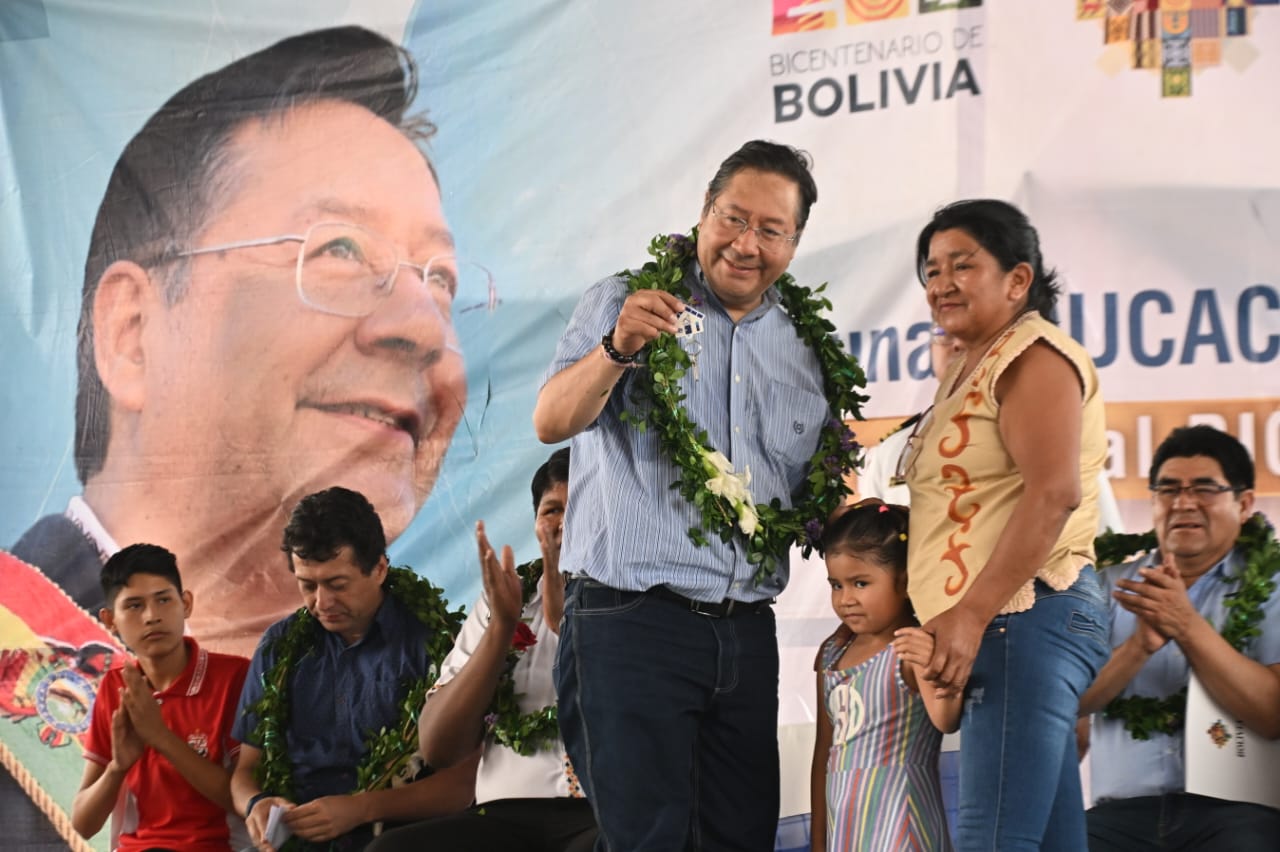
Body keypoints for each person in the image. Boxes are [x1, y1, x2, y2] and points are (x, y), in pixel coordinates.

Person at [7, 24, 479, 655]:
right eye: (340, 248)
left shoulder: (455, 715)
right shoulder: (19, 694)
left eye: (441, 281)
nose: (425, 330)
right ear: (133, 334)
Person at [533, 140, 846, 850]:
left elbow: (814, 496)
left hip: (745, 633)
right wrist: (616, 350)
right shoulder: (625, 300)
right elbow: (551, 420)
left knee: (740, 838)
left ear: (794, 242)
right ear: (703, 213)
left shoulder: (806, 346)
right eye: (733, 219)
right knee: (649, 841)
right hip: (631, 622)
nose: (746, 244)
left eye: (771, 230)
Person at [902, 199, 1111, 851]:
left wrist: (968, 616)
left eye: (962, 265)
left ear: (1018, 281)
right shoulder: (974, 363)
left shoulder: (1034, 355)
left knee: (991, 839)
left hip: (1021, 618)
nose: (941, 284)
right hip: (1014, 624)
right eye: (931, 270)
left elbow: (1052, 495)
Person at [367, 447, 597, 852]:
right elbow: (439, 748)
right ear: (535, 523)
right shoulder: (503, 600)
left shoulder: (641, 604)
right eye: (552, 510)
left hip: (605, 812)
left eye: (582, 507)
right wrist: (501, 628)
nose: (565, 523)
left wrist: (566, 619)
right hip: (503, 818)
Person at [230, 487, 476, 852]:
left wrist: (360, 809)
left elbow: (461, 786)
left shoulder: (435, 644)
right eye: (307, 586)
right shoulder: (279, 646)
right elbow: (245, 771)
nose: (321, 602)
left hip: (399, 838)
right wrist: (256, 803)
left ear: (379, 568)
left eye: (337, 584)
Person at [1080, 425, 1280, 851]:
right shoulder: (1104, 587)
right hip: (1118, 814)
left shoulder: (1272, 586)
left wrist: (1186, 626)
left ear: (1244, 504)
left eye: (1204, 488)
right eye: (1168, 489)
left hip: (1238, 814)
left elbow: (1272, 713)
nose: (1184, 502)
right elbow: (1070, 701)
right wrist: (1138, 648)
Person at [70, 543, 250, 851]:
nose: (152, 616)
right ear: (110, 620)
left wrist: (161, 737)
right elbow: (83, 824)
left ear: (186, 604)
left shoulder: (235, 677)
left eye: (164, 600)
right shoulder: (115, 688)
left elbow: (246, 798)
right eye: (134, 606)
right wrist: (118, 768)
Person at [810, 500, 959, 852]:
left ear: (905, 581)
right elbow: (823, 753)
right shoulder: (832, 654)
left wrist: (935, 671)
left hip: (903, 828)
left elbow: (948, 719)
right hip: (844, 831)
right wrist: (819, 841)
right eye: (836, 585)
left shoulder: (912, 649)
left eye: (860, 583)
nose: (845, 599)